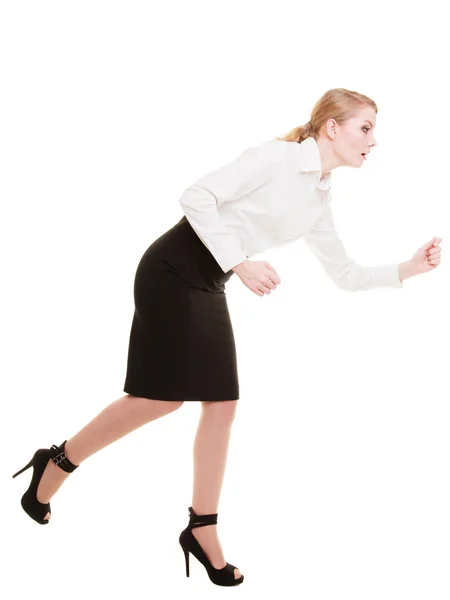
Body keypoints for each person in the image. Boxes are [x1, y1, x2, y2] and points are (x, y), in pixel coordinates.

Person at [12, 87, 442, 587]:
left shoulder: (319, 197)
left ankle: (201, 527)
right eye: (365, 128)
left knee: (220, 404)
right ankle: (58, 461)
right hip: (171, 269)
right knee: (160, 400)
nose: (374, 140)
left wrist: (408, 268)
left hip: (208, 281)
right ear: (332, 127)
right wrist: (240, 261)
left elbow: (344, 274)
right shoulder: (278, 158)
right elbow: (196, 195)